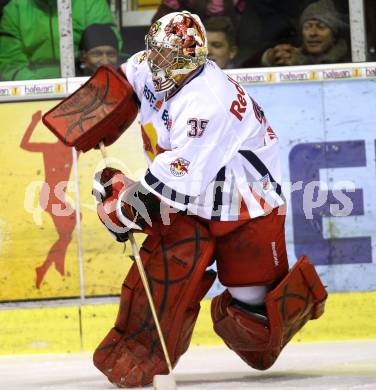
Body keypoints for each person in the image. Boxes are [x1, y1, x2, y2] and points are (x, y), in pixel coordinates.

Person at [90, 11, 328, 388]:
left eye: (172, 59)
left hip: (246, 205)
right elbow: (115, 87)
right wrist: (84, 115)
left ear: (196, 61)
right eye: (156, 54)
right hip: (191, 198)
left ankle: (301, 300)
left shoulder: (208, 103)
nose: (159, 65)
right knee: (166, 273)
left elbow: (165, 191)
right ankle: (145, 348)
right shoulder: (146, 65)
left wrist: (119, 207)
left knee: (254, 332)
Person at [0, 0, 122, 80]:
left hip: (86, 85)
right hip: (31, 94)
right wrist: (42, 87)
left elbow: (108, 52)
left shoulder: (91, 3)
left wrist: (79, 78)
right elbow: (10, 65)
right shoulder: (15, 9)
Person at [261, 0, 349, 66]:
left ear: (334, 36)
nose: (312, 33)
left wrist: (300, 65)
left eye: (321, 27)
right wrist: (271, 58)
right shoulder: (293, 55)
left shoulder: (350, 60)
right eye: (307, 27)